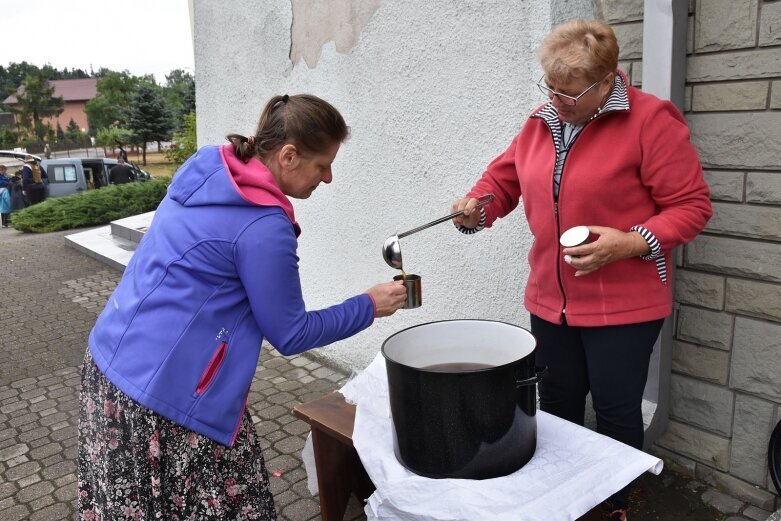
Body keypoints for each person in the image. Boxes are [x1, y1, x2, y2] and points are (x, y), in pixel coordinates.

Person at [78, 93, 408, 520]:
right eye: (322, 165)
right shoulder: (264, 225)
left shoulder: (211, 175)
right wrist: (369, 305)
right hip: (165, 402)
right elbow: (292, 334)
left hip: (110, 365)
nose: (327, 178)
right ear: (288, 156)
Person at [450, 19, 712, 521]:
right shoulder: (542, 119)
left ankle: (613, 507)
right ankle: (562, 503)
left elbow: (691, 206)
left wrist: (630, 242)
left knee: (615, 413)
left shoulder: (651, 121)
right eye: (549, 87)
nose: (556, 100)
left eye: (569, 92)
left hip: (625, 307)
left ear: (607, 80)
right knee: (556, 406)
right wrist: (477, 209)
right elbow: (501, 181)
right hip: (550, 301)